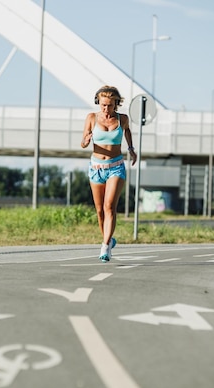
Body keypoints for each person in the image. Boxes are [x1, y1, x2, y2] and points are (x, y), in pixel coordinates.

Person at [81, 85, 137, 262]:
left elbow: (127, 131)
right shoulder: (91, 118)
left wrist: (131, 149)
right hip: (96, 168)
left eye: (110, 106)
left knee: (109, 206)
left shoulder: (123, 119)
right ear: (99, 102)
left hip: (115, 167)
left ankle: (105, 247)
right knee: (99, 211)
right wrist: (87, 140)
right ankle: (109, 238)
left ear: (116, 104)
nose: (106, 109)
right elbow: (82, 143)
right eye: (103, 105)